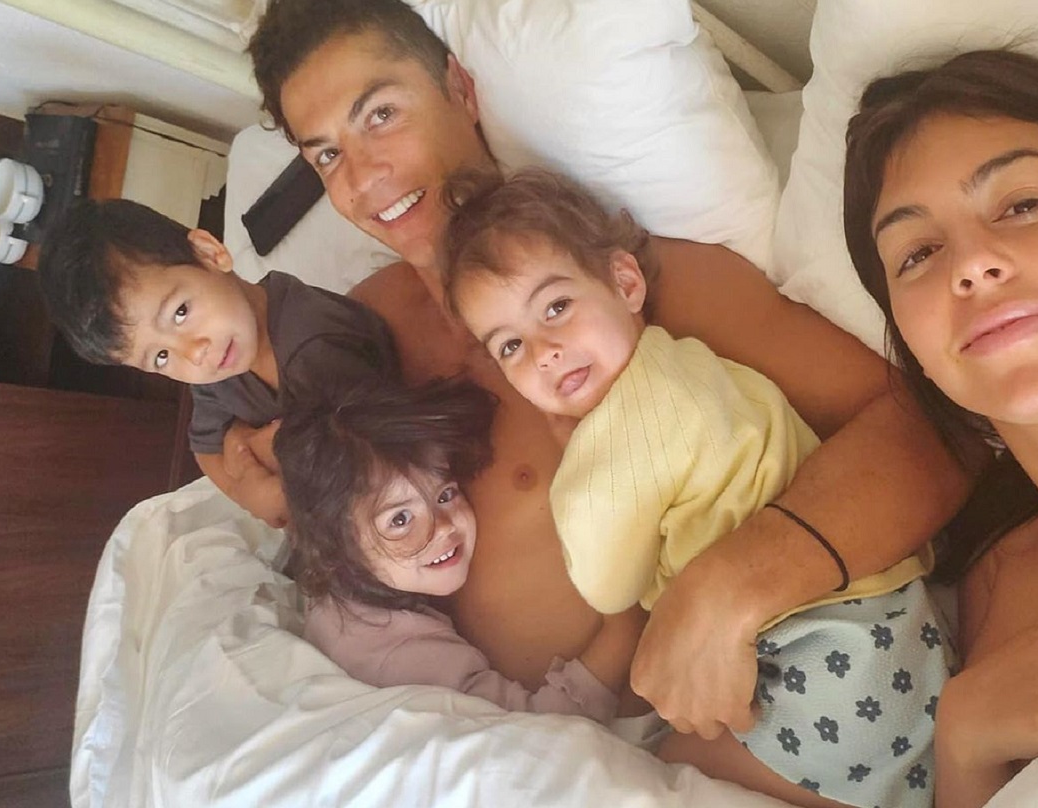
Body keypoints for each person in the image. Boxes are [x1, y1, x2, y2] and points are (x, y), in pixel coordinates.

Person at [245, 0, 972, 748]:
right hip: (479, 742)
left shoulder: (626, 287)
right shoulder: (363, 330)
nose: (362, 180)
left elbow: (931, 436)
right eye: (325, 156)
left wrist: (733, 584)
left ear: (461, 89)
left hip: (709, 729)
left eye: (380, 115)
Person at [441, 167, 950, 807]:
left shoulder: (611, 445)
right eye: (511, 346)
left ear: (627, 282)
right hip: (896, 630)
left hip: (822, 663)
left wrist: (579, 466)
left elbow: (607, 586)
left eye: (556, 308)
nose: (544, 351)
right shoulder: (686, 360)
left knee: (658, 773)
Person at [842, 48, 1038, 808]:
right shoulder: (997, 578)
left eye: (1023, 205)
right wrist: (965, 736)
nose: (971, 266)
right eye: (918, 254)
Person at [277, 375, 645, 723]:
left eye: (445, 494)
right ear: (335, 544)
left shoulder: (335, 591)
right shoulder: (404, 659)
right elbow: (539, 728)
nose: (443, 526)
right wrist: (624, 628)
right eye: (400, 519)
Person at [36, 198, 399, 528]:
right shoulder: (219, 369)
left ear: (209, 253)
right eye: (161, 357)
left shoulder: (313, 344)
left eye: (180, 313)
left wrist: (257, 460)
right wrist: (248, 491)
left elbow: (367, 474)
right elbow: (205, 448)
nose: (192, 353)